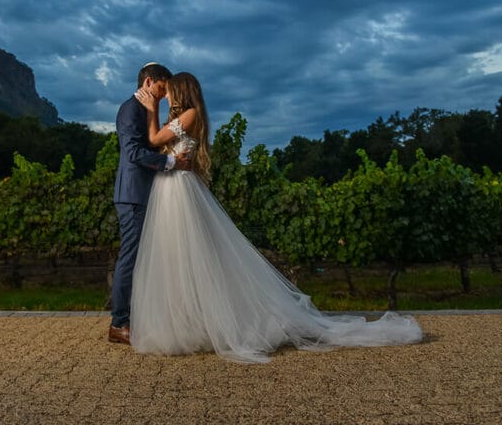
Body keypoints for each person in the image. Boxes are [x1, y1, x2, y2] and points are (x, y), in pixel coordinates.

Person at [129, 71, 423, 363]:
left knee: (189, 254)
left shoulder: (190, 114)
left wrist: (151, 109)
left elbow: (154, 139)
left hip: (179, 191)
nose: (165, 94)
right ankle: (185, 320)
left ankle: (200, 322)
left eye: (169, 91)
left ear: (181, 92)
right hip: (170, 189)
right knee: (174, 256)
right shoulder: (183, 117)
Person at [109, 62, 191, 345]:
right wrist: (171, 162)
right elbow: (133, 153)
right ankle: (119, 324)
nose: (165, 92)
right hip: (133, 194)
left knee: (143, 258)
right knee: (130, 258)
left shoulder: (146, 110)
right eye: (162, 87)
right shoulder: (129, 110)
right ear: (148, 83)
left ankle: (139, 317)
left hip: (147, 194)